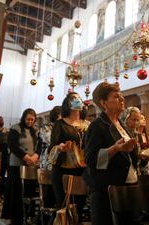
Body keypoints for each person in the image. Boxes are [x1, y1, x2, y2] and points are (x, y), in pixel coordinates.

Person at [84, 82, 138, 225]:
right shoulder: (97, 126)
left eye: (121, 95)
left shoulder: (122, 125)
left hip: (127, 187)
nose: (122, 99)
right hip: (106, 191)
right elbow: (90, 160)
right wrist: (115, 148)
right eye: (116, 97)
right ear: (103, 103)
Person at [48, 93, 88, 221]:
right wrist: (60, 148)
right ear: (67, 104)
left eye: (79, 98)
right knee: (64, 207)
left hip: (81, 170)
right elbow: (52, 147)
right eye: (73, 99)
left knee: (80, 206)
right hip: (62, 170)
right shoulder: (60, 124)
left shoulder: (87, 124)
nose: (77, 100)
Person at [1, 108, 40, 225]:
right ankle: (15, 217)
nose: (30, 122)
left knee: (29, 191)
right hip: (17, 164)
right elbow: (12, 146)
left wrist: (36, 156)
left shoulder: (35, 130)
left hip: (31, 165)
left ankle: (28, 216)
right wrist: (26, 157)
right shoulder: (15, 128)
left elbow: (39, 145)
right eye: (28, 119)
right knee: (16, 191)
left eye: (32, 119)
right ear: (23, 118)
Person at [39, 106, 61, 171]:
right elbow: (50, 141)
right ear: (55, 116)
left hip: (60, 160)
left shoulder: (61, 127)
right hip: (48, 159)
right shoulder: (46, 127)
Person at [0, 116, 9, 197]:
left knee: (2, 175)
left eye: (1, 120)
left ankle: (0, 193)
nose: (0, 121)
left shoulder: (7, 131)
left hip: (4, 156)